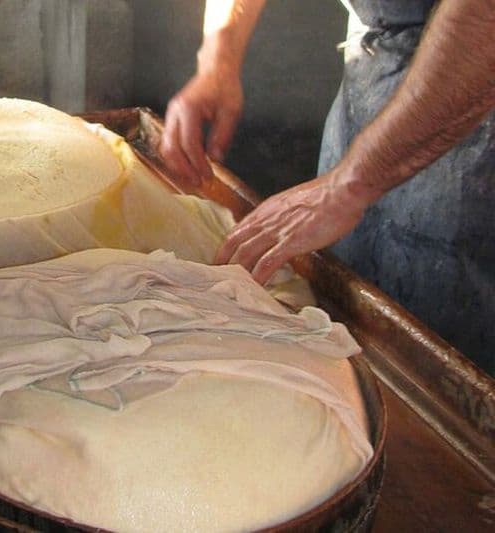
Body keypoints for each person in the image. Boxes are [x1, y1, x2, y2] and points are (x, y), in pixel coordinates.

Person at [161, 0, 495, 375]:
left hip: (473, 103)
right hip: (372, 81)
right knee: (339, 323)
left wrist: (349, 185)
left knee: (436, 372)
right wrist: (218, 57)